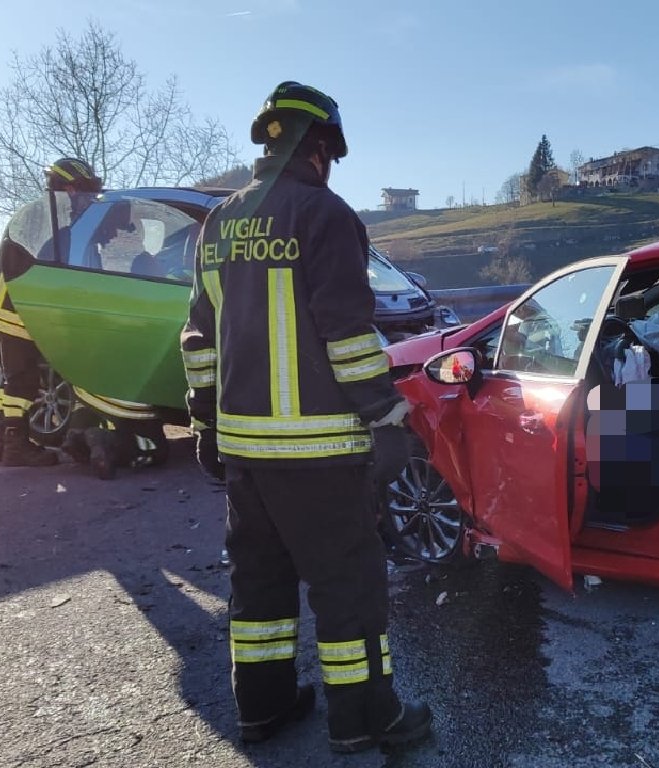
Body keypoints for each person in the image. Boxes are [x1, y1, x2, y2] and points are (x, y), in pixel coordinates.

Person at [180, 81, 432, 753]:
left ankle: (261, 707)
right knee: (348, 585)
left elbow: (198, 337)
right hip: (319, 452)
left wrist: (204, 421)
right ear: (318, 149)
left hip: (244, 455)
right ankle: (367, 717)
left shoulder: (219, 223)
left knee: (258, 583)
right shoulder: (325, 216)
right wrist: (386, 416)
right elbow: (348, 335)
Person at [0, 158, 102, 466]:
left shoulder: (38, 212)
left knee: (12, 380)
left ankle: (1, 445)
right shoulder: (50, 216)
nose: (87, 201)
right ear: (71, 188)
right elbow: (53, 268)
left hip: (4, 306)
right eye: (86, 192)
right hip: (16, 309)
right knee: (23, 381)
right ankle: (17, 447)